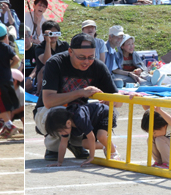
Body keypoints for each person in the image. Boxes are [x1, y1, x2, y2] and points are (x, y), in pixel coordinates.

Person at [35, 33, 120, 162]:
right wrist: (80, 92)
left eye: (91, 57)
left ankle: (76, 144)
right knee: (60, 113)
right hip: (49, 112)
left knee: (104, 111)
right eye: (81, 57)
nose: (86, 62)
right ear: (70, 51)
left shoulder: (98, 67)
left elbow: (117, 101)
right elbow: (48, 102)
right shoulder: (55, 63)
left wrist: (114, 99)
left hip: (78, 114)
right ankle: (53, 147)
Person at [44, 97, 121, 167]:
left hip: (104, 113)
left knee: (100, 136)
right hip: (93, 120)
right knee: (85, 144)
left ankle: (114, 153)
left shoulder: (80, 118)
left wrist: (91, 157)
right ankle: (107, 145)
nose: (61, 134)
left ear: (68, 123)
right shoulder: (66, 123)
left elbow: (91, 138)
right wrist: (59, 162)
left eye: (60, 131)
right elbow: (63, 144)